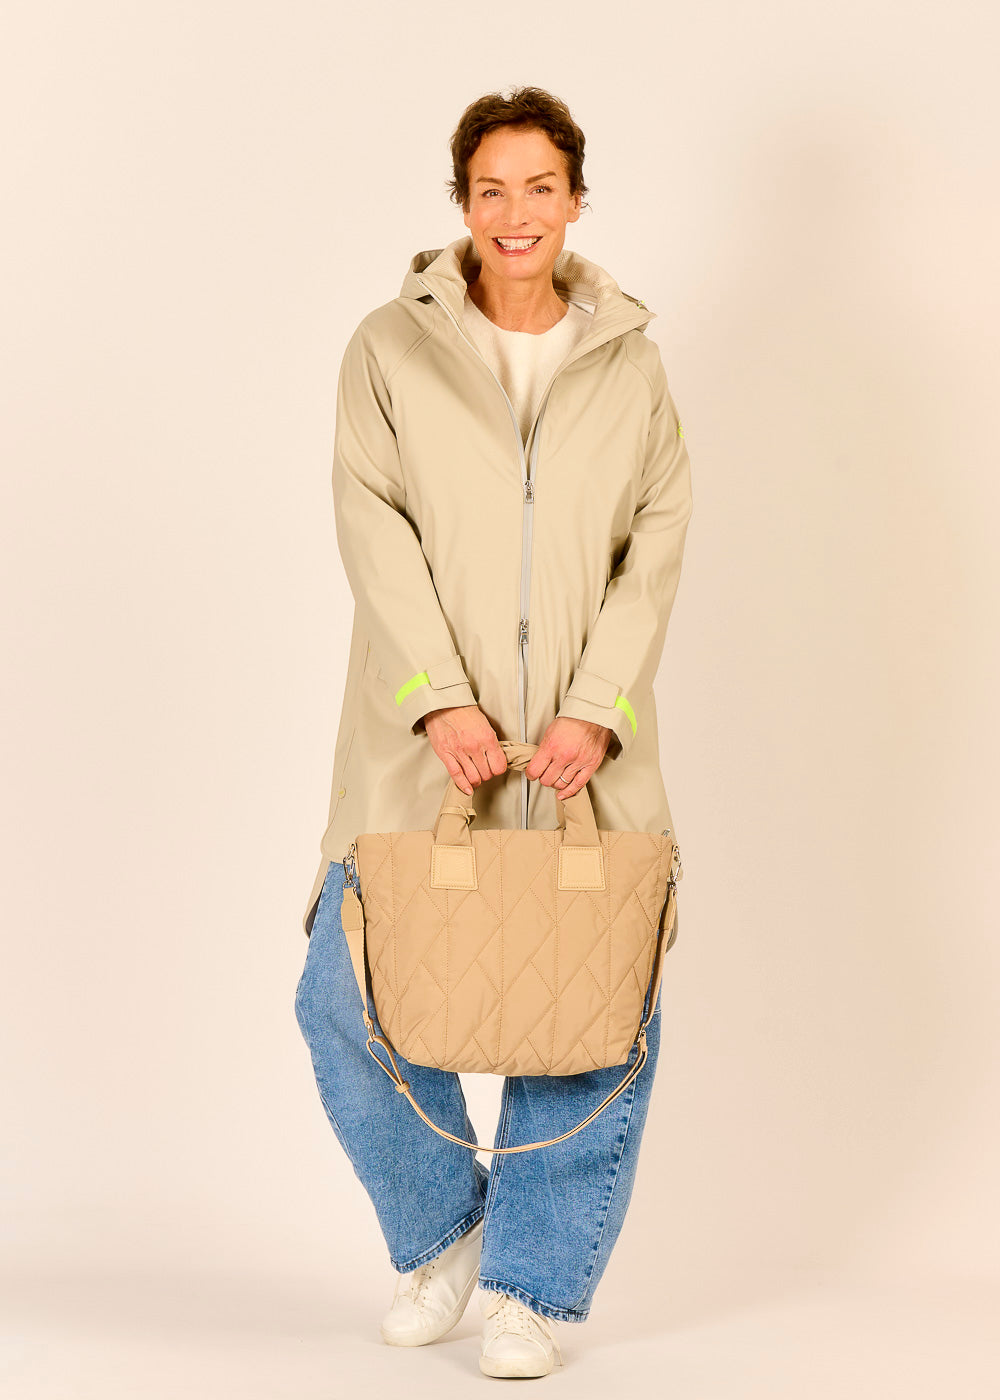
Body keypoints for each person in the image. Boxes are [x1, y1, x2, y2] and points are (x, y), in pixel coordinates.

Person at [294, 85, 693, 1380]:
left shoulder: (630, 364)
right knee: (341, 996)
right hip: (419, 748)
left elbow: (654, 549)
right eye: (491, 189)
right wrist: (441, 696)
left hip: (584, 758)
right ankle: (446, 1232)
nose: (516, 212)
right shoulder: (388, 348)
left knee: (586, 1015)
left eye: (540, 187)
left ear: (576, 199)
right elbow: (374, 526)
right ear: (461, 202)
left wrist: (596, 710)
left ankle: (530, 1290)